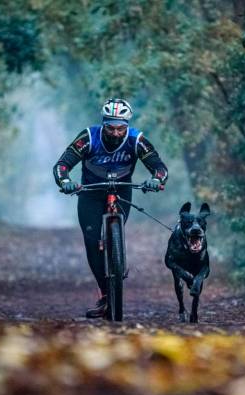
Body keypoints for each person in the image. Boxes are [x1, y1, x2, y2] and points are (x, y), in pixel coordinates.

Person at [53, 98, 168, 318]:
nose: (115, 133)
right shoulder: (88, 137)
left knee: (111, 236)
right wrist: (65, 182)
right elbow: (62, 165)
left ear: (127, 125)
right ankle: (106, 294)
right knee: (91, 239)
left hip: (122, 190)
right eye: (111, 128)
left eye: (120, 128)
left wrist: (156, 179)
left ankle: (116, 260)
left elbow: (159, 167)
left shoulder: (137, 140)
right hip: (90, 192)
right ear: (103, 124)